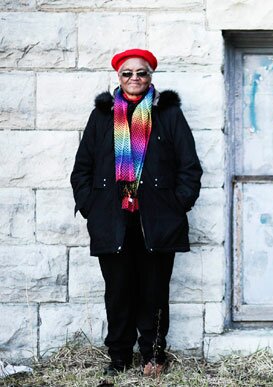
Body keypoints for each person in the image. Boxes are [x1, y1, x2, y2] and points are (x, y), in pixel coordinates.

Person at [70, 48, 202, 377]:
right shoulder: (102, 116)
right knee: (118, 292)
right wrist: (91, 206)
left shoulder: (168, 114)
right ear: (118, 77)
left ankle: (153, 355)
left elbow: (190, 167)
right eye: (127, 73)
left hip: (157, 219)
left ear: (150, 77)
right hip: (112, 219)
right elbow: (82, 168)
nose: (134, 79)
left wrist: (177, 204)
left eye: (141, 73)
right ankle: (119, 357)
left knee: (154, 291)